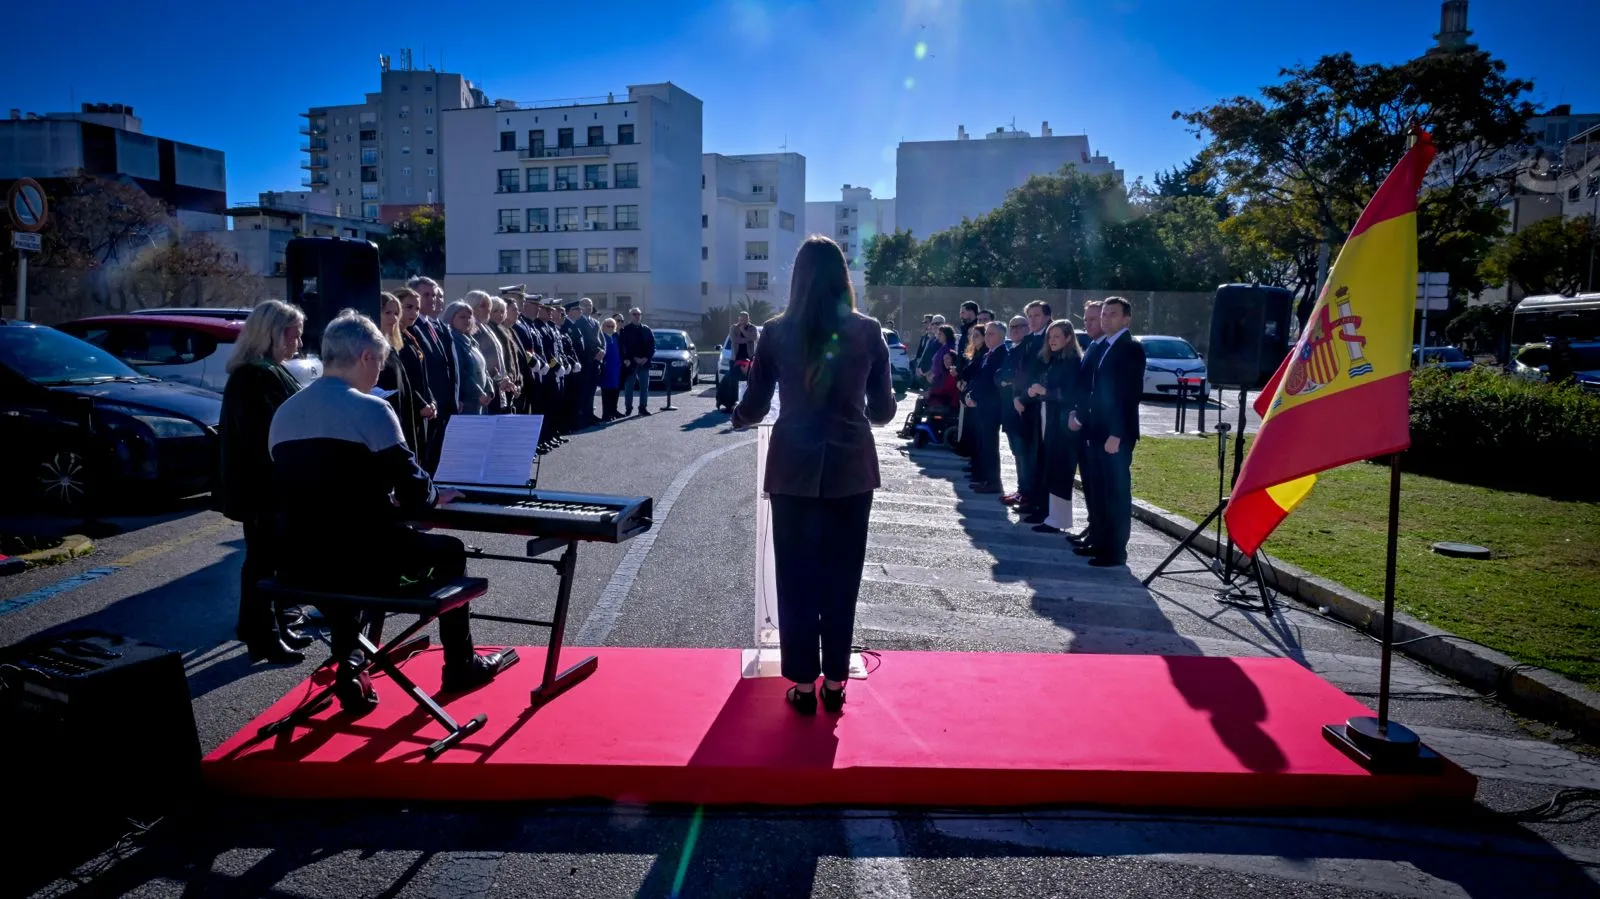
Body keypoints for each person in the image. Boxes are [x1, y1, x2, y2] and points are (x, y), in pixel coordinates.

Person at [268, 310, 509, 713]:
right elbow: (416, 493)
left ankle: (352, 657)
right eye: (380, 361)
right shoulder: (371, 410)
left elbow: (313, 491)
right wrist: (435, 494)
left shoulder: (285, 413)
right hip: (367, 566)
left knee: (341, 544)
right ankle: (460, 665)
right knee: (449, 550)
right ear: (365, 356)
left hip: (297, 565)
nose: (380, 372)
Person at [733, 236, 897, 715]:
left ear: (797, 277)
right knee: (842, 577)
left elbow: (756, 405)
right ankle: (836, 681)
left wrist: (739, 417)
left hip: (792, 467)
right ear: (842, 275)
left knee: (797, 577)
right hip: (850, 466)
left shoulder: (775, 331)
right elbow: (884, 412)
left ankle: (803, 684)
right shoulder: (868, 331)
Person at [216, 299, 313, 664]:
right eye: (294, 335)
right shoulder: (257, 375)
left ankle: (262, 625)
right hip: (263, 486)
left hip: (262, 484)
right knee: (263, 561)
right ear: (272, 333)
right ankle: (263, 635)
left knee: (265, 559)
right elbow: (266, 436)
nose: (298, 345)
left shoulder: (262, 370)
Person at [1070, 297, 1145, 567]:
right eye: (1103, 314)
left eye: (1112, 314)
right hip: (1097, 431)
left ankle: (1115, 551)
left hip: (1115, 435)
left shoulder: (1130, 348)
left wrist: (1117, 433)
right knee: (1100, 491)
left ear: (1126, 319)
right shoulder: (1105, 346)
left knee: (1115, 494)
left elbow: (1128, 395)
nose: (1105, 319)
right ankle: (1100, 542)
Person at [1028, 320, 1083, 534]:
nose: (1052, 341)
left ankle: (1058, 519)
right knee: (1047, 465)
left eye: (1057, 336)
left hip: (1062, 422)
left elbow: (1069, 394)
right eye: (1050, 337)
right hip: (1048, 417)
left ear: (1068, 338)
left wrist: (1044, 391)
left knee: (1059, 468)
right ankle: (1045, 511)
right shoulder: (1053, 359)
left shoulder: (1072, 361)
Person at [964, 321, 1010, 494]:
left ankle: (993, 482)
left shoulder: (1001, 354)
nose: (988, 337)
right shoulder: (988, 354)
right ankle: (985, 478)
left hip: (991, 406)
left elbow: (992, 382)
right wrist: (971, 394)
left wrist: (975, 397)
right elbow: (980, 378)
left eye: (992, 334)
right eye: (987, 333)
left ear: (1001, 336)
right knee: (984, 445)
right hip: (981, 404)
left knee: (990, 446)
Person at [443, 299, 493, 415]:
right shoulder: (453, 340)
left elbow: (484, 369)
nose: (467, 320)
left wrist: (489, 391)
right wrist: (478, 393)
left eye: (469, 317)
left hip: (481, 402)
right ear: (451, 318)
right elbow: (461, 372)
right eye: (462, 317)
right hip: (467, 402)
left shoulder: (472, 341)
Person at [618, 307, 656, 416]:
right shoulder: (625, 330)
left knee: (644, 387)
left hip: (644, 362)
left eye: (639, 314)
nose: (637, 316)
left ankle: (643, 408)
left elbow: (652, 346)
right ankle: (628, 408)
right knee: (629, 387)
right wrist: (633, 358)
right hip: (631, 363)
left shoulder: (646, 329)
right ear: (630, 316)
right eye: (634, 314)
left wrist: (646, 358)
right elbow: (623, 347)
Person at [599, 316, 623, 420]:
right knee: (606, 393)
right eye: (608, 326)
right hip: (606, 368)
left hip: (616, 370)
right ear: (603, 326)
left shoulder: (615, 338)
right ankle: (606, 414)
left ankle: (612, 412)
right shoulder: (601, 337)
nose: (610, 328)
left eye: (612, 326)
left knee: (614, 392)